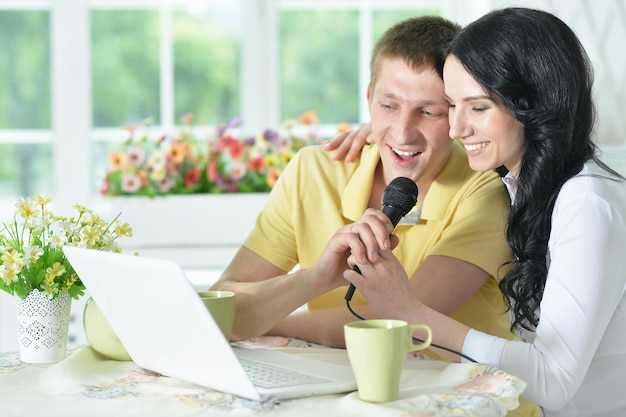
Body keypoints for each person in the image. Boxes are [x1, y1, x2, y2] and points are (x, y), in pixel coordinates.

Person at [336, 8, 626, 417]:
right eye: (451, 106)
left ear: (533, 104)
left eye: (477, 107)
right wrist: (387, 134)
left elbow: (553, 381)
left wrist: (409, 312)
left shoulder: (586, 206)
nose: (456, 129)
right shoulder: (528, 186)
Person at [211, 16, 521, 350]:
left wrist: (267, 320)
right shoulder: (313, 171)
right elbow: (221, 303)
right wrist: (313, 280)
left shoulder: (486, 190)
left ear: (457, 112)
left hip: (461, 395)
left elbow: (402, 324)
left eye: (429, 112)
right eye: (389, 106)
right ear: (370, 99)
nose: (403, 132)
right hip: (344, 388)